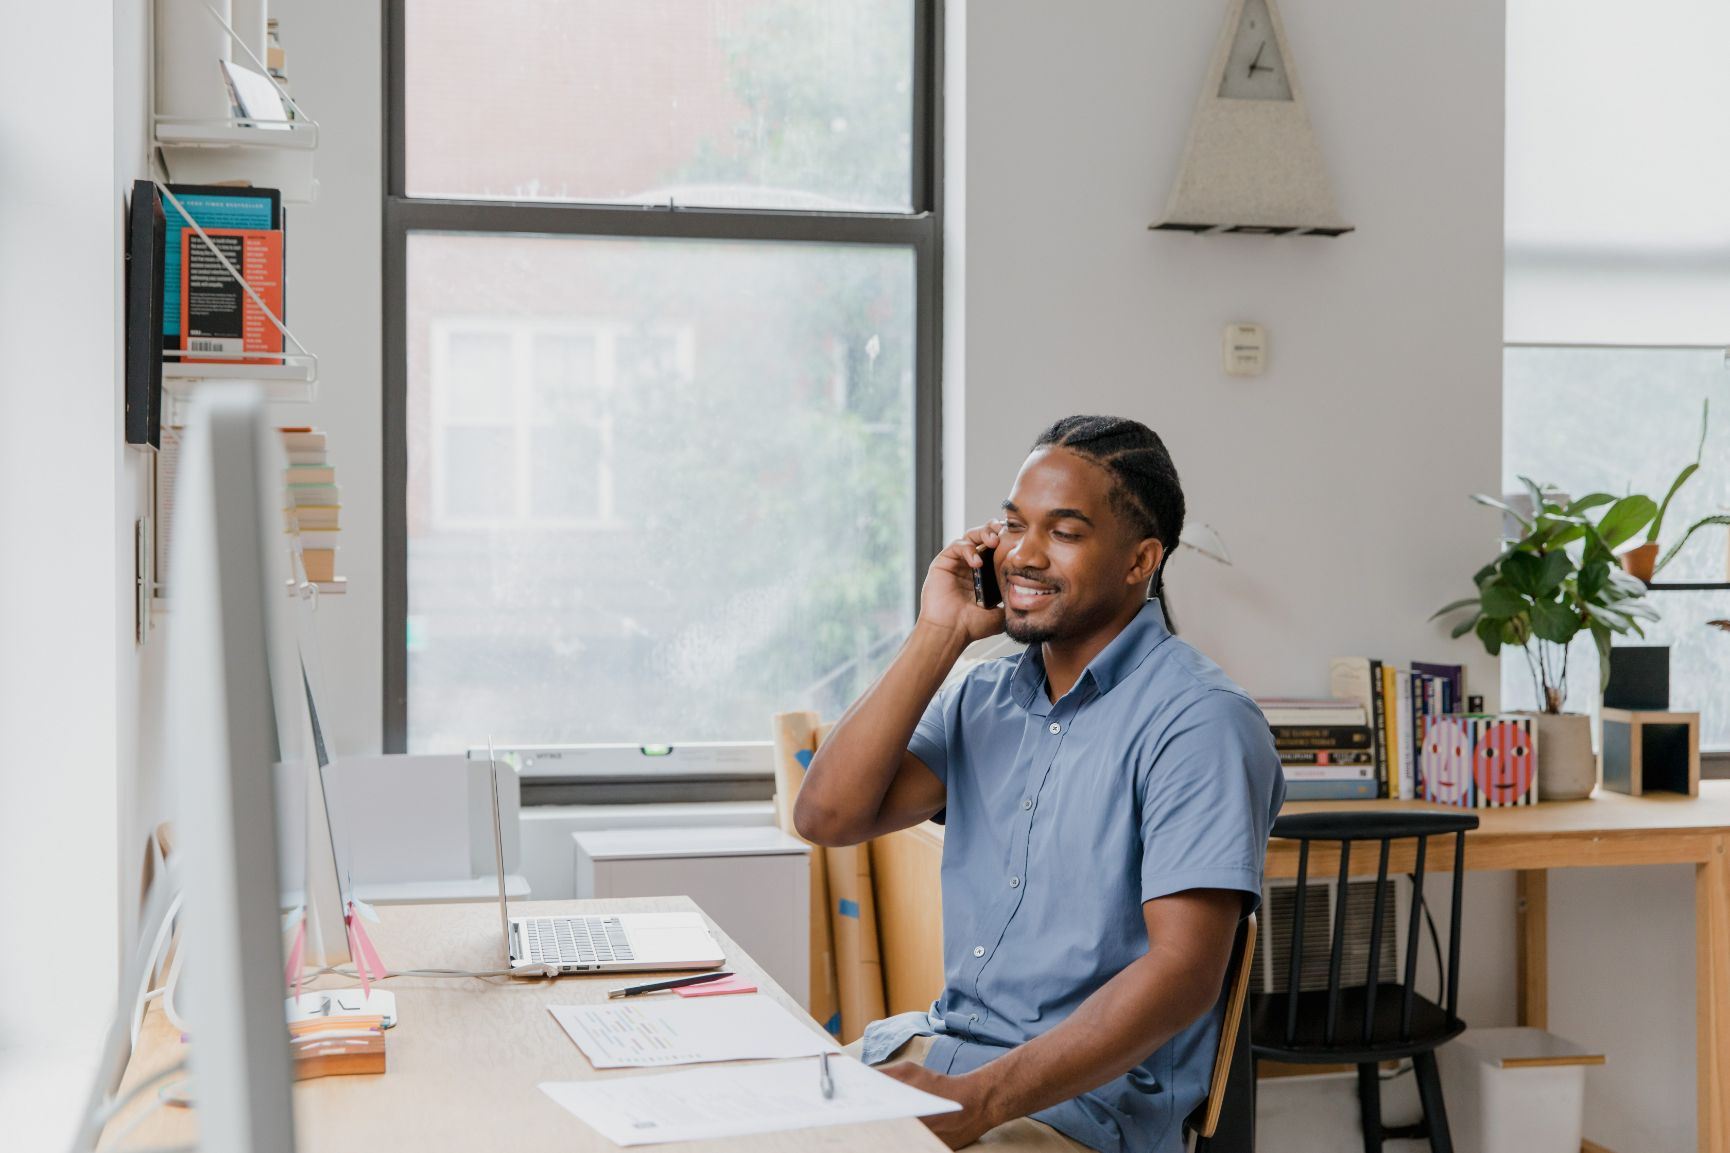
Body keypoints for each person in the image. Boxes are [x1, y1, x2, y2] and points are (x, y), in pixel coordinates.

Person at [794, 414, 1285, 1153]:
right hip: (939, 1059)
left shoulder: (1200, 722)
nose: (1023, 553)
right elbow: (826, 812)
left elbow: (1183, 972)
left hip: (1077, 1111)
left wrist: (977, 1099)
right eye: (1013, 524)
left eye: (1065, 531)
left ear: (1140, 560)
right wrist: (940, 631)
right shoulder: (982, 696)